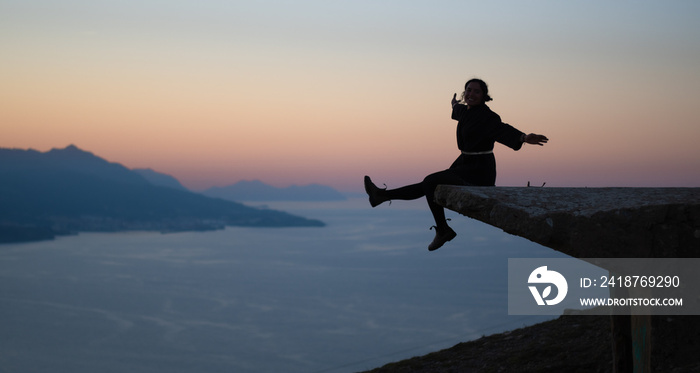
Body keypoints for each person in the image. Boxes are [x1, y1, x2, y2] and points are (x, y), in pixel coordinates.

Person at [364, 78, 548, 251]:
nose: (471, 94)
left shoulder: (488, 117)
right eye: (468, 90)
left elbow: (502, 130)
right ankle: (380, 196)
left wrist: (523, 137)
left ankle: (442, 230)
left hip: (479, 168)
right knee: (427, 185)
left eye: (477, 92)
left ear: (484, 96)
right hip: (464, 162)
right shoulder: (464, 111)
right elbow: (457, 110)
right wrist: (453, 103)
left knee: (429, 182)